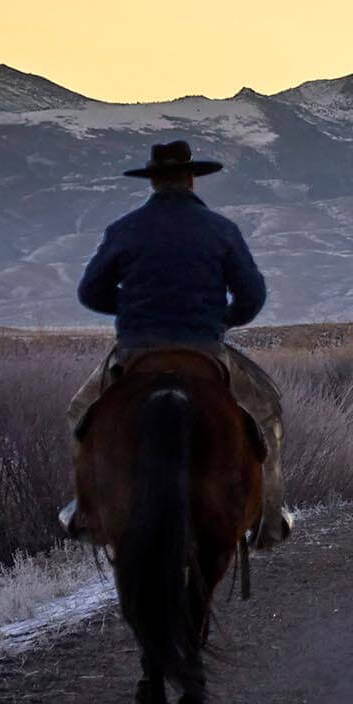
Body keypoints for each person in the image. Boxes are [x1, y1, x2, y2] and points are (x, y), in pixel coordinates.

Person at [61, 140, 291, 549]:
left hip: (137, 351)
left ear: (152, 182)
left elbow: (90, 292)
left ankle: (86, 512)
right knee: (266, 412)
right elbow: (252, 296)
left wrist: (133, 309)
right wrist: (220, 318)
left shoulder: (124, 229)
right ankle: (271, 522)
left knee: (80, 412)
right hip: (203, 348)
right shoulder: (222, 230)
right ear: (191, 179)